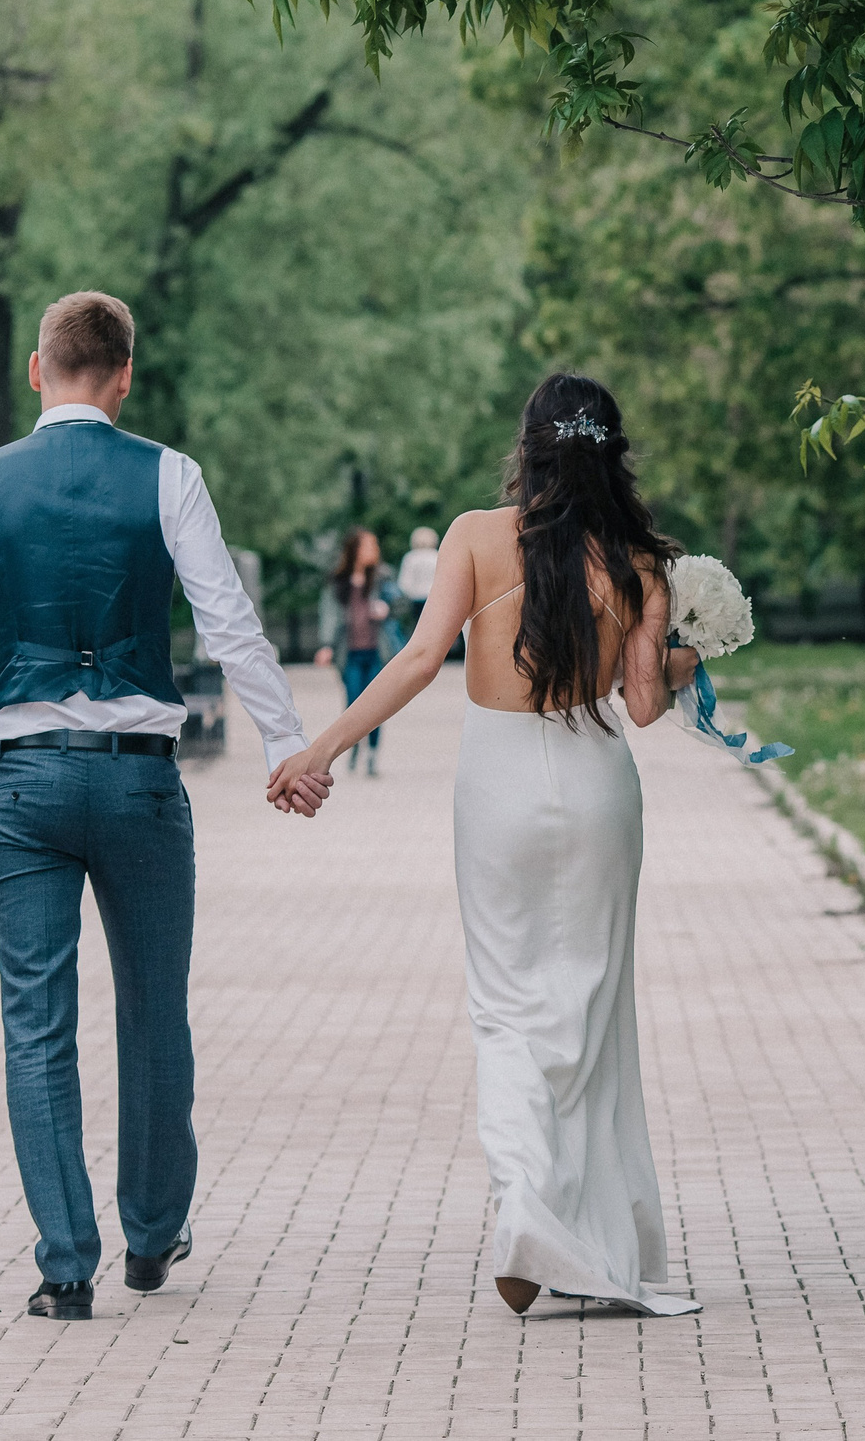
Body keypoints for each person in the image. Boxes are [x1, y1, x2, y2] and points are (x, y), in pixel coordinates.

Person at [0, 290, 334, 1325]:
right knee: (155, 1010)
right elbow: (228, 620)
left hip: (24, 786)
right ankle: (150, 1237)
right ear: (125, 375)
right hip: (140, 779)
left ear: (35, 368)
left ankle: (66, 1266)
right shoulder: (168, 475)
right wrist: (289, 746)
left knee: (35, 1025)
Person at [267, 373, 704, 1318]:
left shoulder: (473, 534)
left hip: (497, 784)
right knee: (588, 1010)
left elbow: (420, 659)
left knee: (508, 1008)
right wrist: (687, 656)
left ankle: (523, 1205)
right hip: (597, 780)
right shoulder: (637, 559)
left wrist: (320, 748)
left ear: (531, 446)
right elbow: (642, 704)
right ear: (609, 449)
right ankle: (576, 1227)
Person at [313, 528, 400, 776]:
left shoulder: (383, 578)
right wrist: (326, 645)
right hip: (349, 653)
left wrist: (386, 608)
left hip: (377, 652)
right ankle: (351, 747)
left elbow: (401, 603)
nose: (374, 551)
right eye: (368, 546)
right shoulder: (338, 581)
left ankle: (371, 755)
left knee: (376, 707)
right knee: (352, 703)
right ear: (355, 550)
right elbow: (329, 615)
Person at [395, 525, 441, 628]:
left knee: (417, 629)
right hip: (435, 600)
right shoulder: (437, 556)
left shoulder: (410, 558)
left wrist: (411, 593)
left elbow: (404, 583)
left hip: (416, 601)